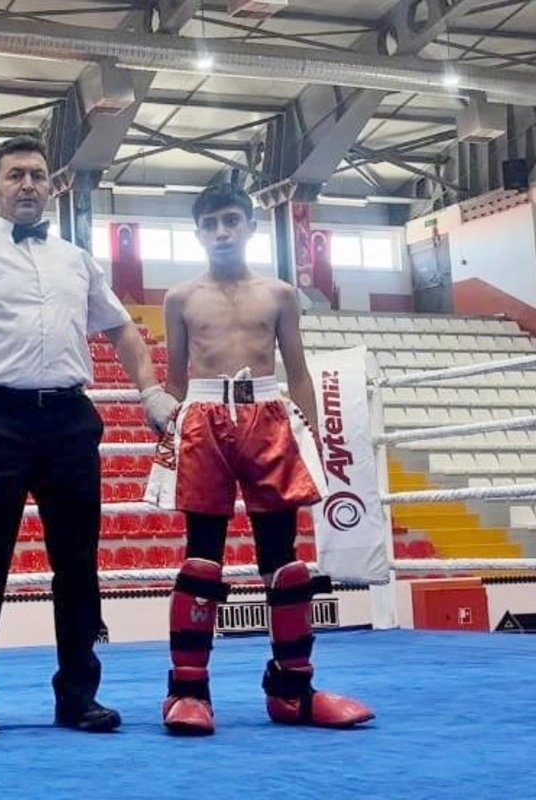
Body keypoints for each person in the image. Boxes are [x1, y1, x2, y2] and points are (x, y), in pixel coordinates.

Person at [0, 135, 177, 738]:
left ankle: (79, 696)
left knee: (78, 566)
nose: (28, 184)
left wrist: (150, 391)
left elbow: (122, 330)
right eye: (15, 175)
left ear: (53, 187)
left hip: (69, 419)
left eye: (37, 174)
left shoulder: (77, 260)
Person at [146, 184, 374, 735]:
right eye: (210, 224)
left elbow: (299, 372)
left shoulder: (280, 294)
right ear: (198, 233)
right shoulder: (180, 298)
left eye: (231, 220)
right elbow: (176, 380)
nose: (222, 232)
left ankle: (293, 691)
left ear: (250, 226)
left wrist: (313, 437)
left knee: (284, 561)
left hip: (269, 416)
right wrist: (166, 427)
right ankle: (188, 691)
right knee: (202, 558)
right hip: (202, 419)